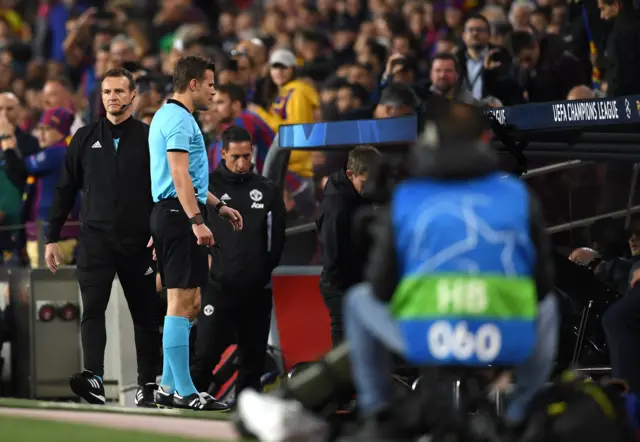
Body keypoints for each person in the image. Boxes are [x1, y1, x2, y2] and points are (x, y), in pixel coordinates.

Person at [341, 103, 557, 440]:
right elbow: (543, 284)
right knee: (547, 306)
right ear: (485, 140)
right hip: (502, 338)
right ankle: (520, 413)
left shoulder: (409, 196)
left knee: (357, 299)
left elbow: (381, 288)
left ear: (431, 141)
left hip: (427, 339)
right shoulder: (516, 194)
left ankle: (378, 414)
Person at [44, 68, 161, 407]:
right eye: (107, 91)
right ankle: (93, 377)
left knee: (146, 315)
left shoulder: (149, 136)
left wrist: (160, 232)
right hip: (95, 239)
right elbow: (65, 189)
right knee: (92, 309)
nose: (112, 97)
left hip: (139, 241)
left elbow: (163, 189)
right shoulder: (84, 137)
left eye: (119, 91)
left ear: (133, 95)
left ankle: (147, 385)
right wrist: (52, 236)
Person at [148, 55, 243, 411]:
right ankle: (185, 390)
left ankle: (170, 387)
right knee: (182, 302)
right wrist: (195, 220)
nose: (213, 91)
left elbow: (192, 178)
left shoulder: (172, 116)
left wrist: (217, 207)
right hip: (177, 213)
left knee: (191, 304)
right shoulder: (178, 120)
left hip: (176, 212)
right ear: (193, 84)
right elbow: (179, 174)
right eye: (210, 84)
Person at [191, 125, 286, 400]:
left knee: (252, 362)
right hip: (218, 288)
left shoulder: (266, 189)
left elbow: (277, 238)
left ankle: (247, 420)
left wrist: (262, 274)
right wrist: (205, 267)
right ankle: (185, 413)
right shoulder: (207, 187)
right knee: (205, 355)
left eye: (247, 156)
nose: (243, 163)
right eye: (236, 157)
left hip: (256, 291)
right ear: (223, 154)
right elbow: (191, 231)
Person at [316, 145, 382, 346]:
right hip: (340, 285)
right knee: (346, 342)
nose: (371, 186)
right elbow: (333, 255)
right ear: (350, 174)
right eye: (365, 181)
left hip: (357, 281)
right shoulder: (337, 209)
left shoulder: (360, 196)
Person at [4, 107, 79, 268]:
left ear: (62, 131)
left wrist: (7, 139)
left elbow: (19, 167)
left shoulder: (58, 152)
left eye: (48, 129)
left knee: (48, 289)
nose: (42, 134)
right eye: (40, 128)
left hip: (52, 238)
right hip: (46, 235)